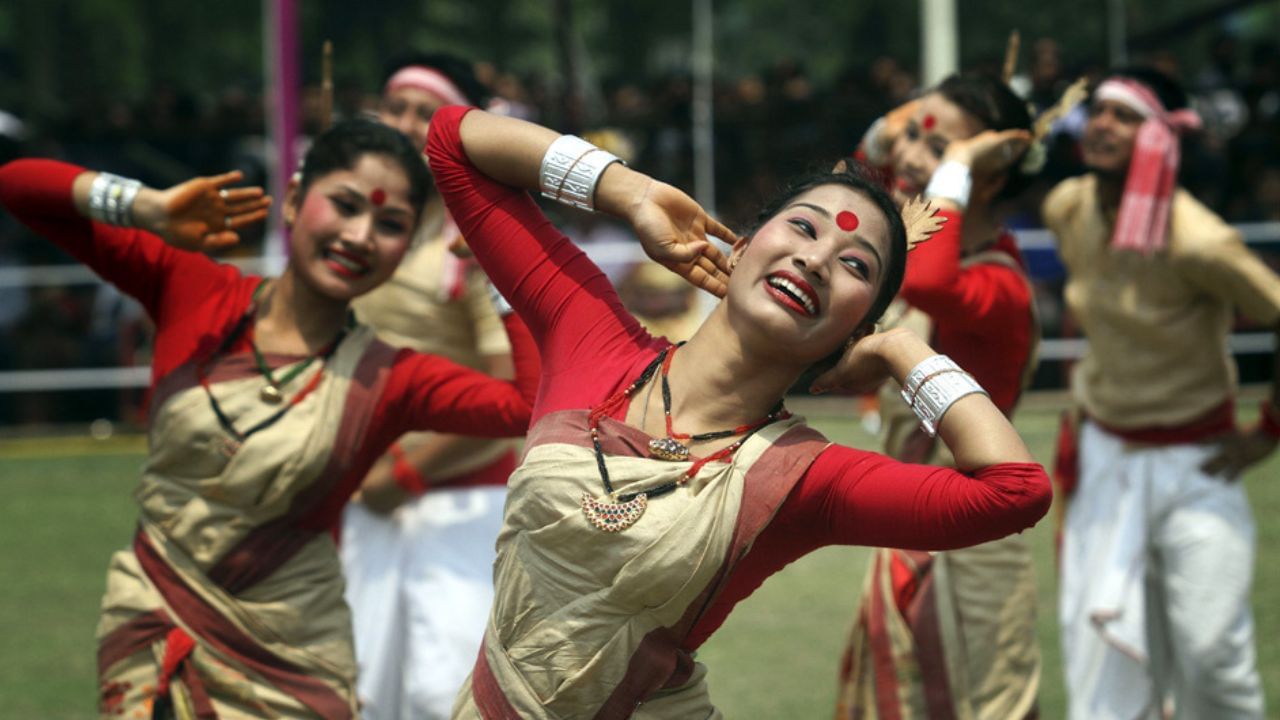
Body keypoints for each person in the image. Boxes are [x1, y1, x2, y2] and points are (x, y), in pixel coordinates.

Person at [422, 104, 1053, 718]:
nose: (815, 259)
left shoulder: (802, 477)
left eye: (856, 265)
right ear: (743, 245)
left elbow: (1015, 491)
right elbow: (453, 141)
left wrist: (901, 351)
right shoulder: (590, 338)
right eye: (804, 227)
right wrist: (631, 192)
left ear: (855, 327)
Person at [0, 118, 538, 719]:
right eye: (345, 204)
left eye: (390, 225)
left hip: (291, 661)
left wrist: (497, 271)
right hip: (153, 639)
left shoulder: (385, 377)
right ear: (292, 201)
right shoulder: (195, 291)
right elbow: (19, 185)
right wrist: (143, 205)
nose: (360, 235)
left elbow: (527, 404)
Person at [1044, 67, 1278, 719]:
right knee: (1102, 667)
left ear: (1163, 138)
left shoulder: (1200, 238)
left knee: (1209, 658)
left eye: (1124, 115)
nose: (1102, 125)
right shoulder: (1069, 206)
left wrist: (1269, 431)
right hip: (1103, 454)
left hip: (1196, 460)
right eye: (1097, 112)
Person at [833, 73, 1043, 720]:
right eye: (914, 135)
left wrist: (955, 166)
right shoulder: (928, 233)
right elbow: (857, 167)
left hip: (975, 533)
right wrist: (924, 124)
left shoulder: (999, 286)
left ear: (989, 170)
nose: (911, 156)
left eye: (941, 147)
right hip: (907, 514)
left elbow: (928, 282)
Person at [337, 53, 516, 720]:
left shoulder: (476, 237)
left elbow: (514, 390)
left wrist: (407, 472)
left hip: (461, 501)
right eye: (395, 106)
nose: (406, 123)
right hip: (363, 496)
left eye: (425, 111)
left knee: (447, 698)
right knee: (362, 694)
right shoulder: (363, 228)